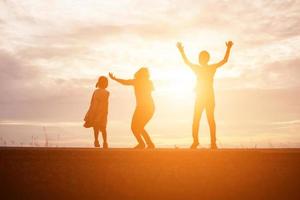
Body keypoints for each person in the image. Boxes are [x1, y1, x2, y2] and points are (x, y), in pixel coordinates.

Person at [176, 41, 233, 149]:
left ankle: (210, 143)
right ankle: (202, 142)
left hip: (205, 97)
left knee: (204, 119)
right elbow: (187, 62)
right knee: (203, 119)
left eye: (201, 57)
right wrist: (181, 51)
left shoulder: (205, 68)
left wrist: (181, 51)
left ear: (205, 59)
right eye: (200, 57)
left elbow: (224, 61)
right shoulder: (206, 68)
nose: (200, 59)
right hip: (204, 96)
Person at [109, 68, 155, 149]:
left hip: (142, 107)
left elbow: (125, 82)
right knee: (139, 127)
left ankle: (143, 144)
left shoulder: (137, 81)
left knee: (135, 127)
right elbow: (151, 90)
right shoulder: (148, 82)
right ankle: (148, 144)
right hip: (150, 107)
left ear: (139, 73)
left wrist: (114, 78)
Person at [84, 76, 110, 148]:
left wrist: (90, 112)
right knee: (103, 128)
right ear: (105, 84)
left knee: (96, 127)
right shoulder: (107, 93)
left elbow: (92, 103)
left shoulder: (95, 91)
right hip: (102, 112)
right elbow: (104, 104)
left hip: (94, 111)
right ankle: (105, 142)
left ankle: (96, 141)